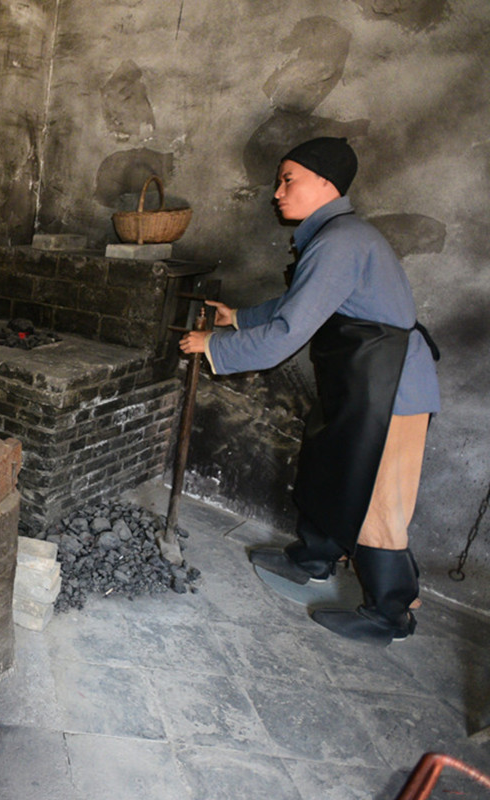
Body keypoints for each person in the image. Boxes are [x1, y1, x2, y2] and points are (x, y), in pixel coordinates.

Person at [179, 137, 440, 646]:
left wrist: (213, 344)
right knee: (329, 470)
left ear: (326, 183)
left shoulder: (343, 241)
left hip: (391, 394)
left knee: (380, 502)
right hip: (359, 384)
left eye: (288, 179)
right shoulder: (336, 237)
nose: (277, 192)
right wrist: (240, 317)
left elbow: (287, 333)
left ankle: (390, 614)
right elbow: (306, 299)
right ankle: (314, 558)